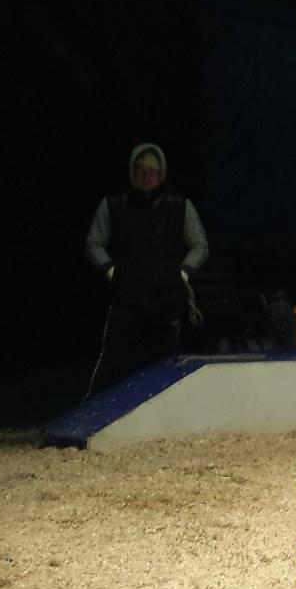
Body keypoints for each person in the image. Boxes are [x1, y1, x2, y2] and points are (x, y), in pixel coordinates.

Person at [83, 142, 209, 398]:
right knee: (112, 365)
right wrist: (112, 272)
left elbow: (200, 245)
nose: (146, 176)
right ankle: (93, 413)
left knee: (164, 367)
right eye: (140, 170)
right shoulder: (113, 204)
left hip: (167, 301)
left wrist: (181, 274)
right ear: (132, 173)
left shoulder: (180, 205)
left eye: (152, 171)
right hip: (126, 300)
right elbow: (94, 243)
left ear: (161, 174)